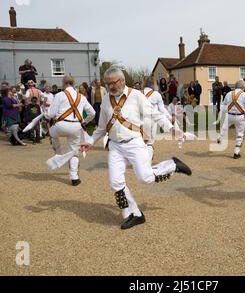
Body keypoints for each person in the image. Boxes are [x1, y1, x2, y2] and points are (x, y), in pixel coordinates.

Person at [80, 67, 192, 230]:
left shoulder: (136, 96)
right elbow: (101, 127)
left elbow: (156, 115)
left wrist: (171, 129)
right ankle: (135, 214)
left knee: (145, 178)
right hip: (115, 146)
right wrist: (90, 142)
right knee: (116, 182)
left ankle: (173, 165)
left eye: (114, 82)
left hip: (134, 142)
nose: (111, 86)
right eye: (108, 83)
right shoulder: (105, 100)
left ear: (123, 81)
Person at [46, 75, 95, 186]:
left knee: (52, 133)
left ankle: (59, 154)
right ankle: (74, 178)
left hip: (60, 126)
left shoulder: (59, 95)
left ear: (63, 84)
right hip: (76, 127)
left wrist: (45, 115)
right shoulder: (81, 97)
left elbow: (51, 114)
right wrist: (84, 122)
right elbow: (93, 113)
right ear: (73, 84)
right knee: (74, 151)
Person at [217, 80, 245, 159]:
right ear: (243, 87)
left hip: (229, 115)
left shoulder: (229, 93)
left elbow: (223, 104)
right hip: (240, 117)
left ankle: (220, 137)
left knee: (224, 128)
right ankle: (236, 152)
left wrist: (223, 112)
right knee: (239, 134)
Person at [141, 76, 171, 161]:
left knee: (142, 142)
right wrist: (169, 117)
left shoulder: (138, 93)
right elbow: (162, 109)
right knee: (150, 143)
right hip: (151, 120)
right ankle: (147, 163)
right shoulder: (156, 94)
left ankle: (141, 160)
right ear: (153, 84)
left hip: (139, 120)